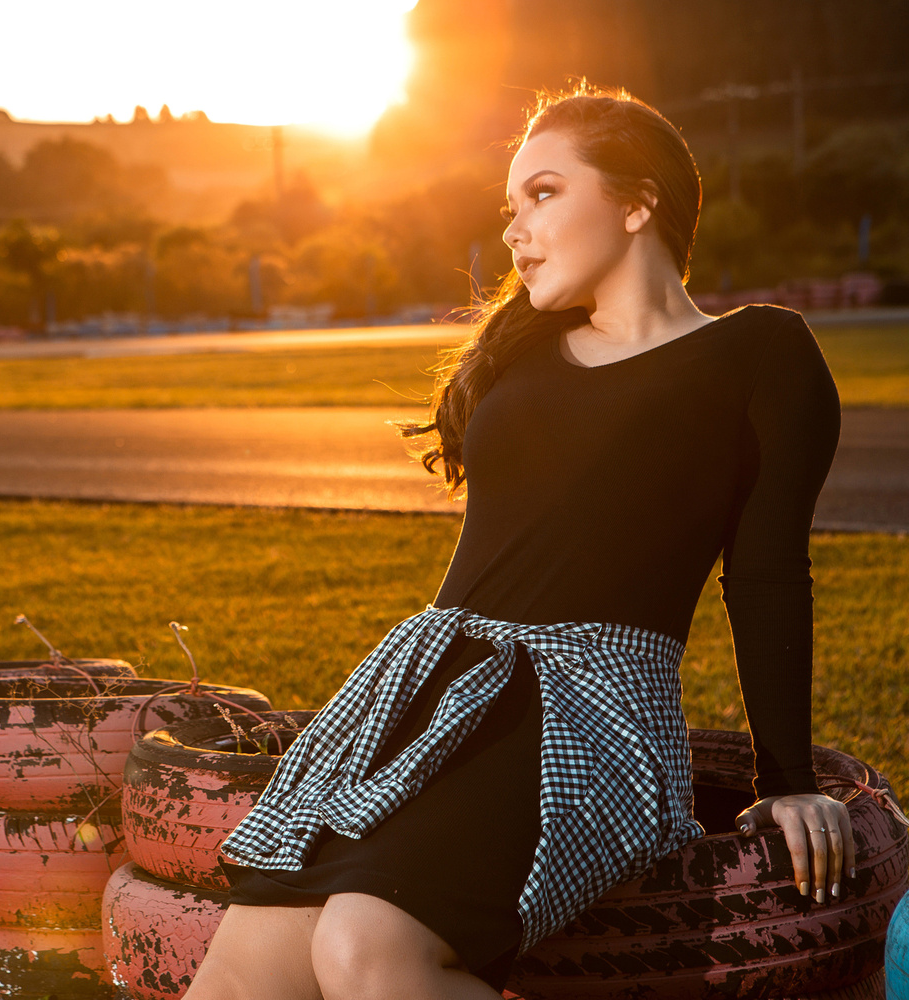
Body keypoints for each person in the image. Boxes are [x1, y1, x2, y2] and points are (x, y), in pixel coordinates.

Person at [181, 83, 850, 1000]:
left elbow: (767, 573)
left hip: (591, 711)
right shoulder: (524, 349)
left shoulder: (761, 352)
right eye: (510, 207)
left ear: (637, 202)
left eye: (542, 194)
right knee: (239, 977)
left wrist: (789, 777)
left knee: (365, 949)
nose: (514, 230)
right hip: (428, 689)